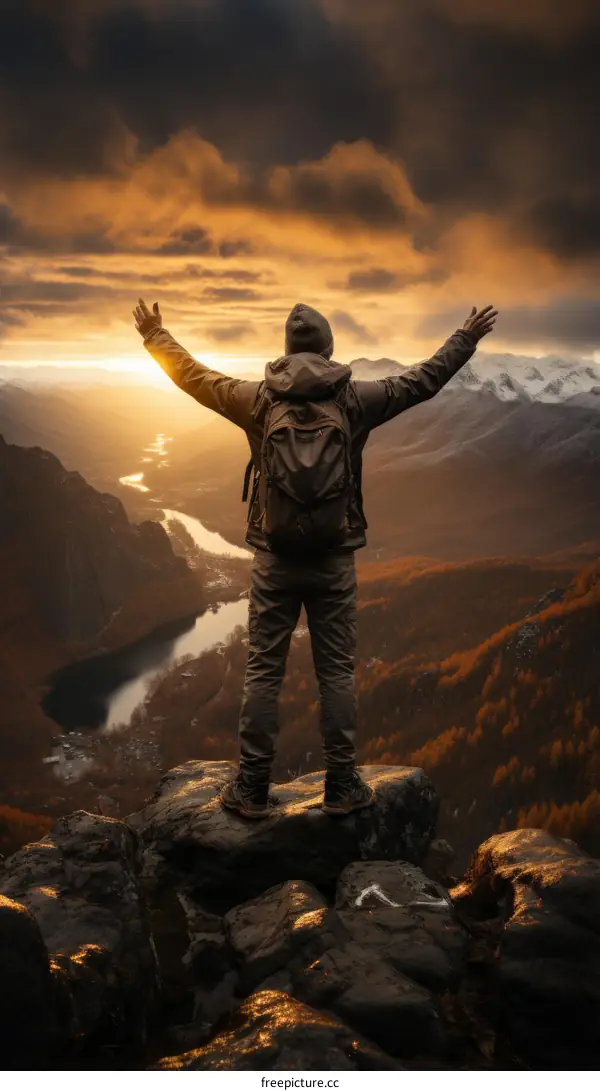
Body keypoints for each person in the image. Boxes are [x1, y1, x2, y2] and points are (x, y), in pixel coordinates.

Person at [133, 298, 497, 819]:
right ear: (328, 350)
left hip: (274, 560)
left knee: (263, 671)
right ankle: (343, 785)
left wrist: (155, 336)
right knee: (336, 673)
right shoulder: (356, 400)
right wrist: (466, 337)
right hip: (333, 560)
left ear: (287, 351)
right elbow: (423, 380)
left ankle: (253, 788)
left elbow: (195, 377)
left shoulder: (256, 399)